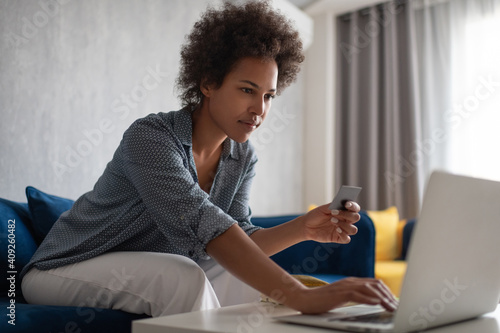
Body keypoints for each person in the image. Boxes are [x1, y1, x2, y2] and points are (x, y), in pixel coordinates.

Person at [21, 1, 398, 317]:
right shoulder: (150, 138)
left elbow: (241, 239)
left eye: (268, 95)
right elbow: (208, 226)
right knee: (184, 275)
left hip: (140, 267)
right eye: (247, 90)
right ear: (208, 83)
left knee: (239, 275)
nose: (259, 109)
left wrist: (304, 228)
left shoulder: (241, 156)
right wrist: (299, 294)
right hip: (62, 269)